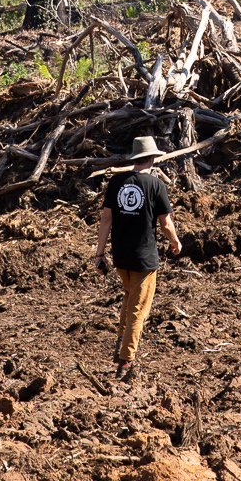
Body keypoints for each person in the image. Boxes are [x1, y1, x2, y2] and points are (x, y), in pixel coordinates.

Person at [92, 136, 182, 380]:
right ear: (152, 158)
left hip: (121, 256)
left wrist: (99, 254)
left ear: (135, 157)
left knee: (130, 298)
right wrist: (175, 241)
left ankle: (121, 342)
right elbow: (165, 223)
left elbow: (106, 219)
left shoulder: (116, 182)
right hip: (144, 259)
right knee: (138, 312)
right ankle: (125, 362)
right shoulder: (155, 185)